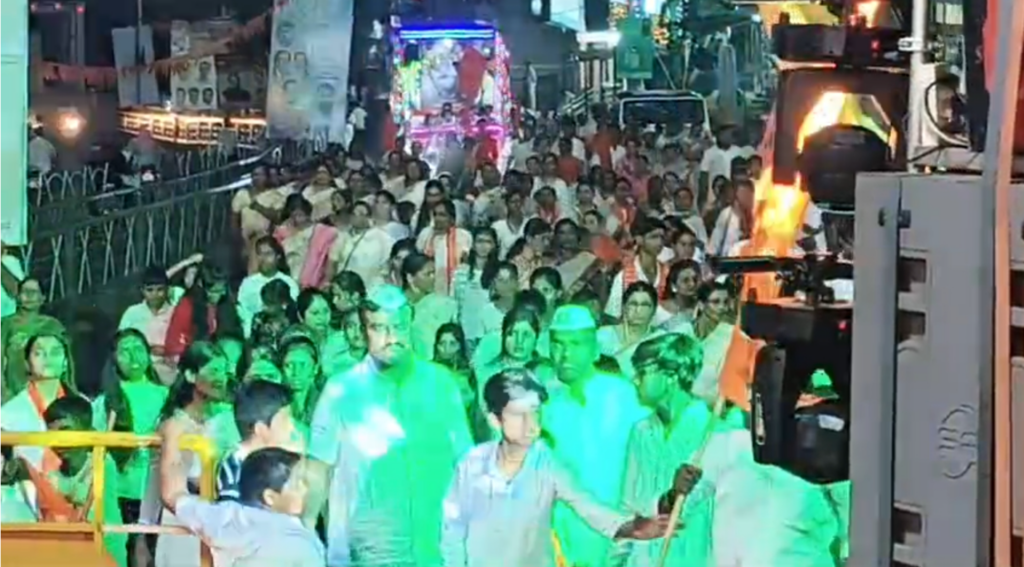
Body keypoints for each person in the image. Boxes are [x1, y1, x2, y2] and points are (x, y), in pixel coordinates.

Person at [304, 285, 473, 567]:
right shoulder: (341, 390)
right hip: (368, 550)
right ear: (364, 331)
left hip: (436, 547)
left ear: (411, 325)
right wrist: (309, 537)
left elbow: (465, 463)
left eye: (399, 326)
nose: (391, 336)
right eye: (378, 328)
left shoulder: (441, 383)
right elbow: (318, 470)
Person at [441, 368, 669, 567]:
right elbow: (453, 531)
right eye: (519, 415)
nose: (531, 425)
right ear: (495, 419)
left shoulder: (545, 462)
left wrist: (631, 528)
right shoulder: (472, 464)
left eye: (535, 412)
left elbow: (586, 506)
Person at [542, 304, 650, 567]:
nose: (565, 354)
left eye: (576, 344)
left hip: (615, 535)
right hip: (558, 537)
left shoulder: (624, 395)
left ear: (594, 350)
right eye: (557, 344)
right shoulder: (541, 402)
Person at [161, 446, 324, 567]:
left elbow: (172, 495)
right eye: (297, 484)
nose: (306, 489)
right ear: (270, 497)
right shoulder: (299, 541)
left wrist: (172, 438)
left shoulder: (228, 517)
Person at [217, 380, 299, 501]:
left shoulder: (280, 460)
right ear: (260, 429)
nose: (292, 428)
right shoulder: (233, 469)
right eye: (285, 421)